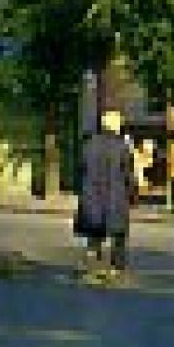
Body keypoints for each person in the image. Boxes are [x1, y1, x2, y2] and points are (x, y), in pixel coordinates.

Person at [76, 111, 132, 281]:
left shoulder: (88, 144)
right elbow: (127, 173)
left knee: (94, 231)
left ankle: (91, 264)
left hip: (91, 194)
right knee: (118, 234)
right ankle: (116, 268)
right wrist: (131, 191)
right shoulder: (122, 146)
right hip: (115, 196)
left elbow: (81, 169)